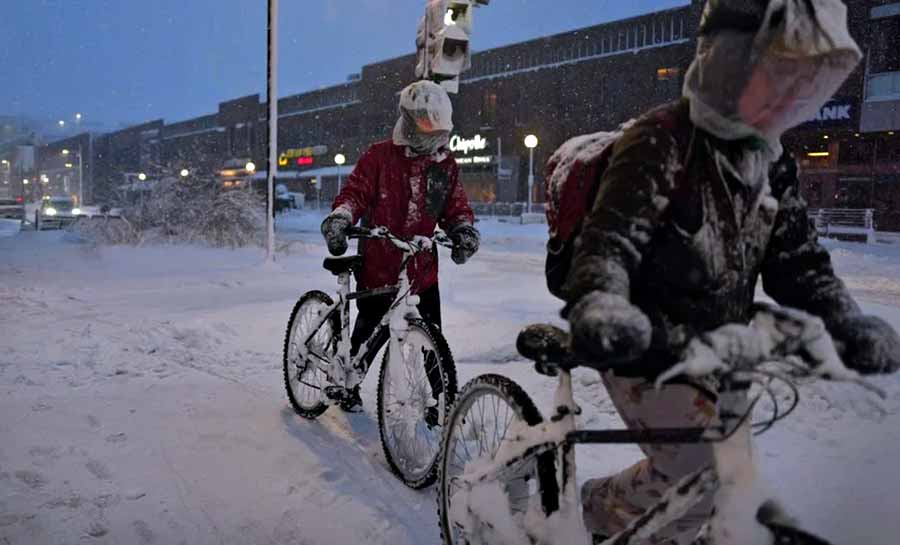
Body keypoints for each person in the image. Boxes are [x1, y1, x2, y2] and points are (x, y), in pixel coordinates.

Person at [557, 1, 900, 543]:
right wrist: (603, 304)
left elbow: (798, 262)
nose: (788, 98)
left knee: (722, 489)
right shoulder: (662, 140)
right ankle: (592, 511)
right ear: (728, 64)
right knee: (699, 476)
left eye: (803, 84)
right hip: (642, 344)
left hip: (720, 348)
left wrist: (843, 319)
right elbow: (610, 243)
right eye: (776, 77)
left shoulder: (771, 160)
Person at [320, 80, 480, 412]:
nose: (432, 135)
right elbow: (356, 192)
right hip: (379, 265)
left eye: (437, 126)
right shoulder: (379, 156)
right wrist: (342, 216)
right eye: (425, 124)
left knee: (432, 341)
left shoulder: (443, 164)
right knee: (367, 333)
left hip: (422, 270)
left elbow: (454, 205)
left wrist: (462, 229)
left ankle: (445, 405)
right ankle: (348, 382)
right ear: (408, 121)